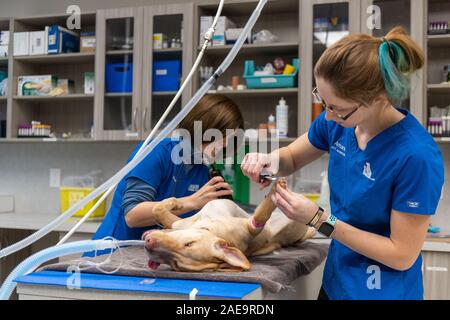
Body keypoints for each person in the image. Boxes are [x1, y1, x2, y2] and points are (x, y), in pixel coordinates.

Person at [240, 27, 444, 300]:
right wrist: (267, 162)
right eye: (322, 101)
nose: (326, 116)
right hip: (336, 285)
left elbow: (401, 255)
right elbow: (290, 157)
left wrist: (318, 219)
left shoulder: (415, 156)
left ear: (378, 97)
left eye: (336, 107)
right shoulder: (339, 124)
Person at [90, 94, 244, 247]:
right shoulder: (156, 152)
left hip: (152, 259)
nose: (225, 145)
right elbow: (132, 215)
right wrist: (193, 201)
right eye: (224, 137)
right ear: (206, 127)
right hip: (111, 256)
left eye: (231, 140)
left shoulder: (203, 171)